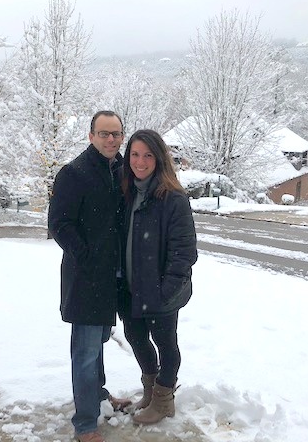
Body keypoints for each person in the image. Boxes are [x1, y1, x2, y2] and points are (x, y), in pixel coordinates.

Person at [48, 110, 132, 442]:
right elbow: (59, 224)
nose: (111, 139)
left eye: (116, 134)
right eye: (104, 133)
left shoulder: (122, 170)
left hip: (112, 277)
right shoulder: (74, 173)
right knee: (84, 351)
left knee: (97, 343)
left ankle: (98, 395)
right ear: (91, 136)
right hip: (86, 277)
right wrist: (87, 256)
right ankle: (85, 423)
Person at [119, 129, 198, 425]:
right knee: (136, 338)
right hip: (131, 288)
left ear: (159, 158)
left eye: (148, 155)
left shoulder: (172, 198)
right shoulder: (127, 192)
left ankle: (164, 401)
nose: (140, 162)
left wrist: (165, 291)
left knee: (165, 344)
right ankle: (150, 392)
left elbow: (184, 252)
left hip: (162, 291)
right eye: (135, 154)